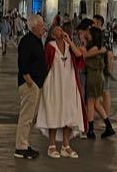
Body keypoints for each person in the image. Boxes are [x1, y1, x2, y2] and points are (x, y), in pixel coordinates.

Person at [36, 24, 84, 158]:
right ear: (52, 34)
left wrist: (69, 41)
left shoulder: (69, 46)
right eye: (57, 29)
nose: (60, 30)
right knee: (54, 111)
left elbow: (79, 55)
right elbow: (44, 65)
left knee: (68, 112)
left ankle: (66, 145)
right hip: (54, 83)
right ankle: (51, 145)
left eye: (61, 28)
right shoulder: (50, 47)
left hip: (69, 84)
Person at [14, 14, 47, 159]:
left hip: (36, 84)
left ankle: (25, 143)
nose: (44, 28)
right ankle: (20, 147)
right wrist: (29, 81)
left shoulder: (38, 41)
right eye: (41, 25)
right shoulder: (27, 41)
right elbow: (22, 63)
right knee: (26, 116)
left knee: (31, 117)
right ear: (34, 26)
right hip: (29, 84)